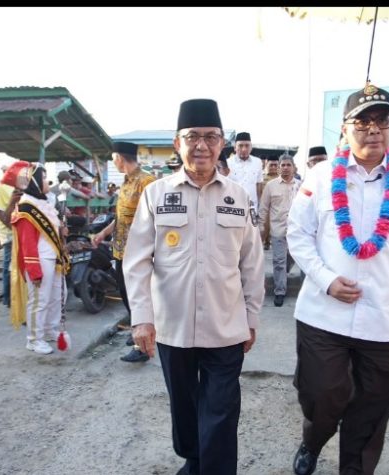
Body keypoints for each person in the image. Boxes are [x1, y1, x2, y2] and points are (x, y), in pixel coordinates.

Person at [286, 83, 389, 475]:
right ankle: (313, 440)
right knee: (321, 395)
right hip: (323, 315)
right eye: (362, 121)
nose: (373, 129)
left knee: (375, 406)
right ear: (345, 129)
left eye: (383, 119)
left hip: (387, 319)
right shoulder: (321, 176)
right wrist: (326, 279)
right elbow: (298, 234)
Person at [123, 98, 264, 474]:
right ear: (177, 143)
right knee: (184, 409)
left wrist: (251, 317)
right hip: (174, 327)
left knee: (221, 410)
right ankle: (193, 461)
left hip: (225, 325)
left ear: (222, 144)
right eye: (193, 137)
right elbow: (136, 261)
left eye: (211, 137)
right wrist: (142, 318)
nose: (202, 145)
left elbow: (252, 261)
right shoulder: (156, 194)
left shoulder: (238, 195)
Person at [91, 141, 155, 364]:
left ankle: (143, 347)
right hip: (120, 251)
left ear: (119, 157)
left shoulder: (147, 182)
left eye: (113, 159)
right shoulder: (126, 182)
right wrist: (103, 233)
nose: (113, 162)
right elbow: (120, 217)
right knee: (127, 296)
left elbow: (155, 219)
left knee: (140, 297)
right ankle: (137, 332)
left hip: (139, 253)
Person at [4, 161, 69, 355]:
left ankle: (50, 328)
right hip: (39, 260)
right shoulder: (26, 207)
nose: (47, 180)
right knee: (40, 300)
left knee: (58, 296)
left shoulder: (42, 203)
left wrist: (61, 231)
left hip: (53, 257)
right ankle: (34, 339)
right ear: (33, 181)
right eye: (43, 177)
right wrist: (34, 270)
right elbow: (27, 242)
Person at [258, 154, 300, 307]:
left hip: (297, 230)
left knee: (293, 257)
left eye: (289, 165)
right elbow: (263, 208)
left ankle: (282, 272)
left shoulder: (300, 186)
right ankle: (280, 292)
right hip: (278, 230)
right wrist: (261, 225)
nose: (286, 168)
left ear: (294, 168)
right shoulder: (271, 186)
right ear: (279, 168)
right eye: (283, 165)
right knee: (279, 260)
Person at [0, 159, 23, 308]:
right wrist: (12, 228)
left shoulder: (17, 187)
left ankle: (15, 297)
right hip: (10, 234)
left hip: (19, 231)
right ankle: (8, 298)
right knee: (9, 267)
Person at [227, 131, 264, 212]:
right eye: (240, 146)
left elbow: (258, 184)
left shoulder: (257, 162)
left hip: (252, 207)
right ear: (235, 147)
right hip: (233, 207)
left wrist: (260, 205)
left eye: (247, 146)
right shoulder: (228, 163)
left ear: (251, 147)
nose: (244, 149)